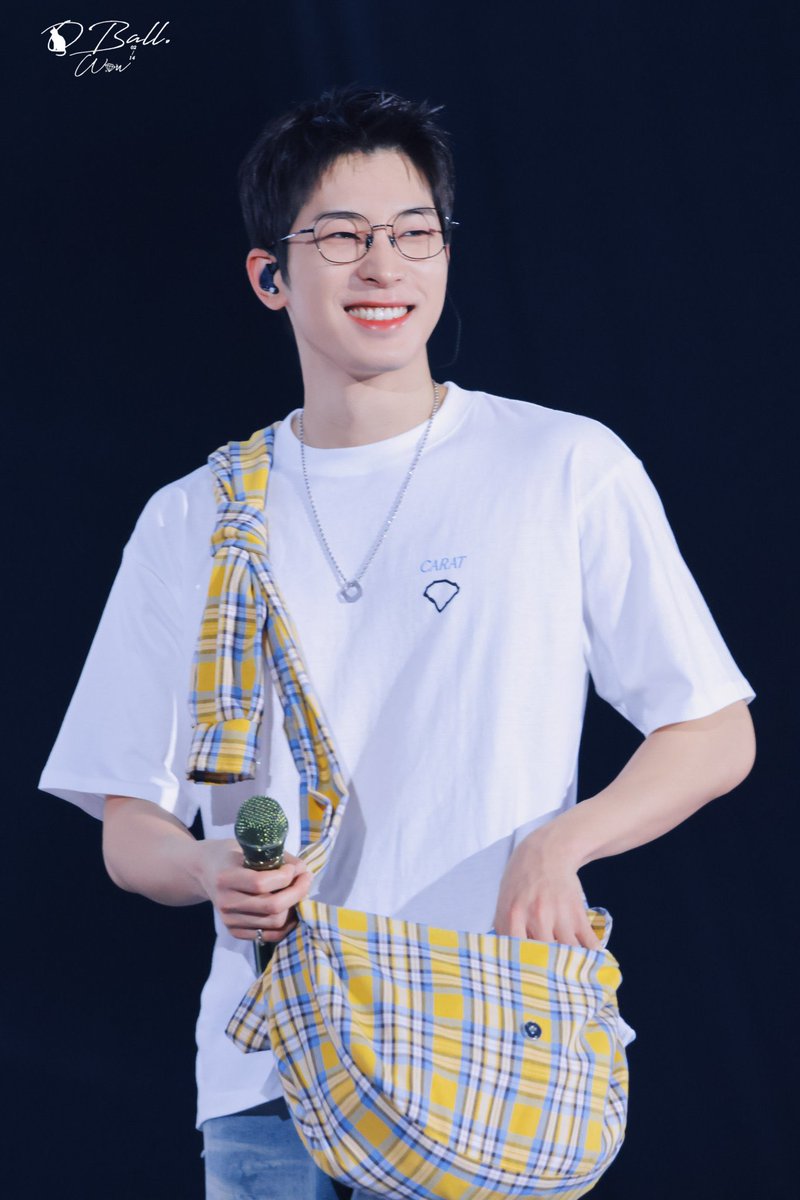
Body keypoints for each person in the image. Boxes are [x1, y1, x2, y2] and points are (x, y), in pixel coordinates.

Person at [40, 85, 756, 1200]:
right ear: (270, 276)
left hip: (490, 1041)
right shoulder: (196, 516)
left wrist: (560, 845)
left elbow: (712, 731)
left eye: (414, 233)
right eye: (341, 237)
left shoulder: (560, 466)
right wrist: (206, 867)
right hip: (272, 1069)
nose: (384, 265)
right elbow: (127, 821)